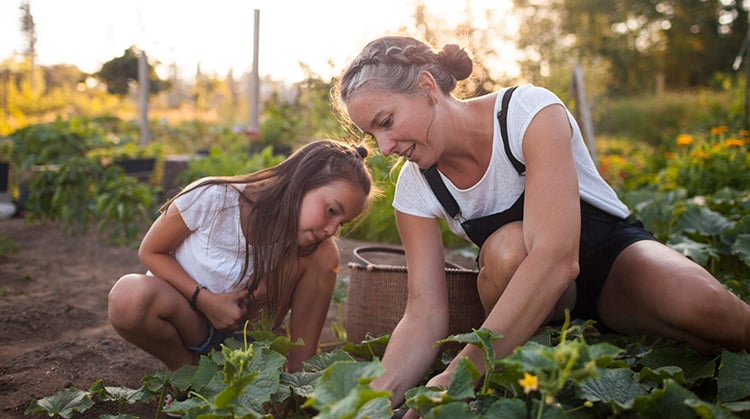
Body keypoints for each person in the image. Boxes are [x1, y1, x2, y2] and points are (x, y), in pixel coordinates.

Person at [334, 35, 750, 409]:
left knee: (708, 311)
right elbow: (424, 312)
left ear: (427, 88)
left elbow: (556, 258)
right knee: (510, 247)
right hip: (537, 303)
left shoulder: (527, 113)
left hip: (610, 261)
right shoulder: (415, 187)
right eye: (373, 135)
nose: (385, 147)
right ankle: (550, 347)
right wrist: (373, 399)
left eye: (386, 122)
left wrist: (458, 375)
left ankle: (613, 330)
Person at [108, 139, 374, 373]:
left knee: (326, 253)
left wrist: (298, 391)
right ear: (302, 183)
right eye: (330, 210)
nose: (330, 230)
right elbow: (150, 251)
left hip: (246, 345)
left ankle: (225, 378)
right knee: (127, 296)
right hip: (186, 323)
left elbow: (303, 352)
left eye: (341, 223)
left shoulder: (319, 252)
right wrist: (205, 300)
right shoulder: (213, 198)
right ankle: (186, 372)